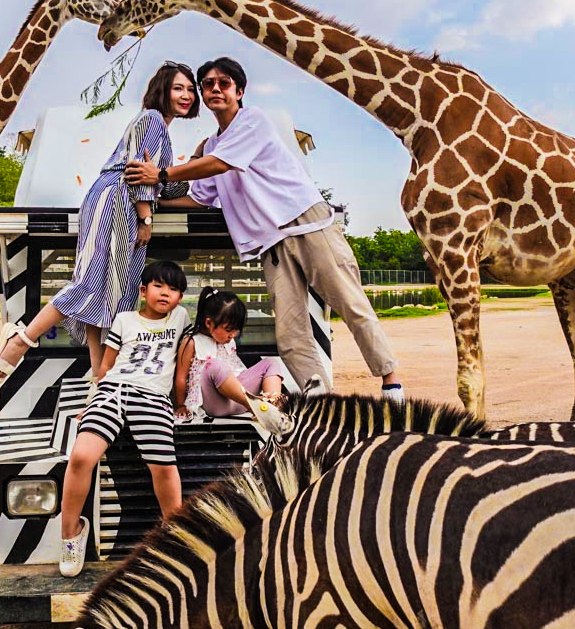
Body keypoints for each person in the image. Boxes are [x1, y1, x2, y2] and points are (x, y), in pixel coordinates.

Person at [124, 56, 403, 401]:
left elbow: (220, 164)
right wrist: (149, 198)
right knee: (289, 333)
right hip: (270, 244)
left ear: (239, 91)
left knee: (349, 302)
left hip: (306, 223)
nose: (214, 89)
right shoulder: (210, 146)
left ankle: (391, 383)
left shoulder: (252, 121)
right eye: (208, 84)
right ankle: (322, 402)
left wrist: (162, 175)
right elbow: (200, 199)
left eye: (223, 83)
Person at [0, 62, 198, 384]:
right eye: (178, 88)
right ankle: (21, 339)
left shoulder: (160, 128)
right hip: (118, 199)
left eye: (189, 89)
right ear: (162, 90)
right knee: (90, 281)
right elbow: (137, 172)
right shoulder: (152, 119)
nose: (186, 95)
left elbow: (162, 185)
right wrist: (146, 218)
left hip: (118, 200)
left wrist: (199, 170)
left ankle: (100, 377)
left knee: (109, 289)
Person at [58, 260, 190, 577]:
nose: (166, 293)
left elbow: (187, 362)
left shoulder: (180, 318)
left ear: (180, 299)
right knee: (80, 456)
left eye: (174, 289)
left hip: (153, 398)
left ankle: (177, 538)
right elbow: (105, 368)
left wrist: (181, 401)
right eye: (159, 286)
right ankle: (70, 535)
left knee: (163, 466)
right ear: (143, 290)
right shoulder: (124, 320)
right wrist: (91, 402)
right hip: (113, 392)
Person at [174, 287, 286, 425]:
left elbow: (235, 372)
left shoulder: (229, 341)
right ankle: (256, 407)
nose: (232, 335)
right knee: (213, 365)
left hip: (238, 399)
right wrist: (180, 405)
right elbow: (181, 377)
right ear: (209, 323)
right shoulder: (191, 342)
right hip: (216, 403)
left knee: (271, 362)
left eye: (236, 330)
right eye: (228, 330)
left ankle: (272, 407)